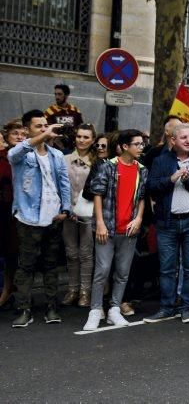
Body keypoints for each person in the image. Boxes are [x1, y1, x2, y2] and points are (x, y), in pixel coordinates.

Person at [144, 123, 189, 323]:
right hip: (167, 223)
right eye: (184, 138)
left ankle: (187, 308)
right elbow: (151, 187)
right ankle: (166, 307)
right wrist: (171, 179)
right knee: (167, 268)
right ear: (173, 140)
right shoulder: (160, 160)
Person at [8, 110, 71, 327]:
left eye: (46, 125)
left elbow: (64, 183)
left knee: (51, 265)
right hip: (28, 218)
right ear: (27, 130)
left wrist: (66, 209)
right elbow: (12, 154)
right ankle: (24, 309)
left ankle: (51, 307)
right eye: (39, 126)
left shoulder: (57, 155)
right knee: (26, 266)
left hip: (54, 218)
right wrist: (42, 138)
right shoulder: (21, 153)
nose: (45, 129)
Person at [82, 130, 148, 330]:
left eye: (142, 144)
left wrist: (138, 218)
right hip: (107, 227)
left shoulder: (142, 169)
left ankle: (114, 310)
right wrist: (100, 222)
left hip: (129, 229)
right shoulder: (108, 167)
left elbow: (142, 197)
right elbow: (97, 194)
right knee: (102, 270)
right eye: (137, 144)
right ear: (125, 146)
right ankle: (95, 311)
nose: (141, 147)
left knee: (122, 272)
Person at [61, 123, 97, 307]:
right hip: (67, 212)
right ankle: (72, 289)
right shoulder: (64, 159)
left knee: (86, 253)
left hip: (89, 214)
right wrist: (66, 208)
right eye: (79, 136)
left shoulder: (97, 161)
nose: (82, 140)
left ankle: (85, 291)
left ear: (92, 140)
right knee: (71, 253)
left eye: (86, 137)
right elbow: (60, 186)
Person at [0, 120, 26, 310]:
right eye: (15, 134)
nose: (19, 137)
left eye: (22, 134)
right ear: (7, 137)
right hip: (3, 209)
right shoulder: (3, 157)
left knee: (13, 254)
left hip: (20, 212)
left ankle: (9, 290)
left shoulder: (30, 155)